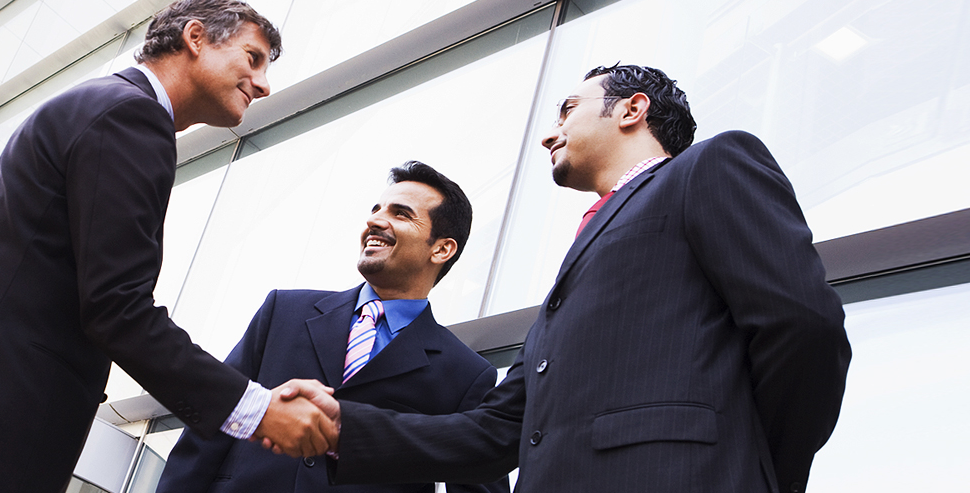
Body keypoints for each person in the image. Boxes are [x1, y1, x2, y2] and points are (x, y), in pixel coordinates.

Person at [278, 64, 852, 493]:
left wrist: (761, 469)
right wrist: (340, 426)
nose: (550, 134)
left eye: (568, 110)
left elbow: (803, 326)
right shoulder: (579, 261)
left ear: (631, 110)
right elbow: (495, 432)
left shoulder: (709, 166)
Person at [0, 0, 330, 493]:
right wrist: (254, 408)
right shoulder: (130, 116)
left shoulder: (104, 105)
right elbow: (116, 308)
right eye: (253, 58)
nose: (263, 84)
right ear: (195, 38)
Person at [158, 162, 509, 493]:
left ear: (442, 249)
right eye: (376, 209)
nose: (375, 221)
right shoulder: (284, 311)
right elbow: (215, 421)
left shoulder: (466, 375)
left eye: (400, 213)